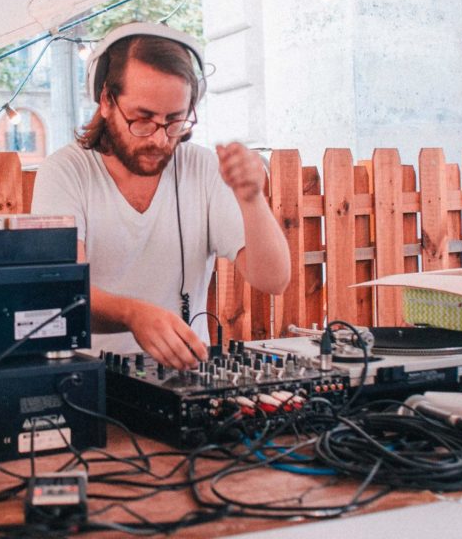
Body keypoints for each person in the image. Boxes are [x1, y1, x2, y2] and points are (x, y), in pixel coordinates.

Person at [31, 22, 290, 369]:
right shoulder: (64, 172)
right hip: (88, 379)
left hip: (186, 378)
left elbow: (273, 279)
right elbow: (63, 292)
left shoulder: (202, 168)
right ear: (106, 101)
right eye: (143, 119)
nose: (159, 139)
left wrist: (252, 199)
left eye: (174, 120)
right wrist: (133, 315)